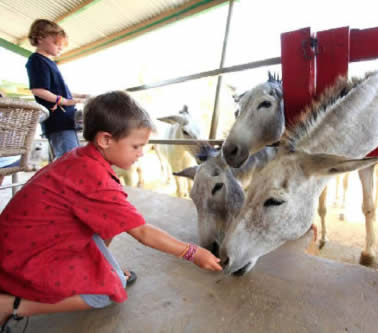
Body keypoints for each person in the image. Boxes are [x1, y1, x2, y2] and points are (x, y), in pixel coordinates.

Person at [0, 91, 222, 332]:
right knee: (106, 294)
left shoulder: (81, 158)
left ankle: (100, 272)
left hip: (19, 244)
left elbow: (110, 223)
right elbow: (143, 233)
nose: (141, 152)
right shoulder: (96, 179)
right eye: (136, 146)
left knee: (108, 244)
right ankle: (10, 305)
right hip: (21, 258)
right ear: (106, 140)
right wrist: (192, 252)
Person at [25, 19, 88, 159]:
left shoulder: (49, 62)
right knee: (68, 160)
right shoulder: (37, 61)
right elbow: (38, 90)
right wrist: (64, 101)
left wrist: (79, 95)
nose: (60, 48)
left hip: (66, 120)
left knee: (73, 156)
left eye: (62, 45)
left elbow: (57, 89)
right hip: (58, 122)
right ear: (40, 38)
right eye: (56, 43)